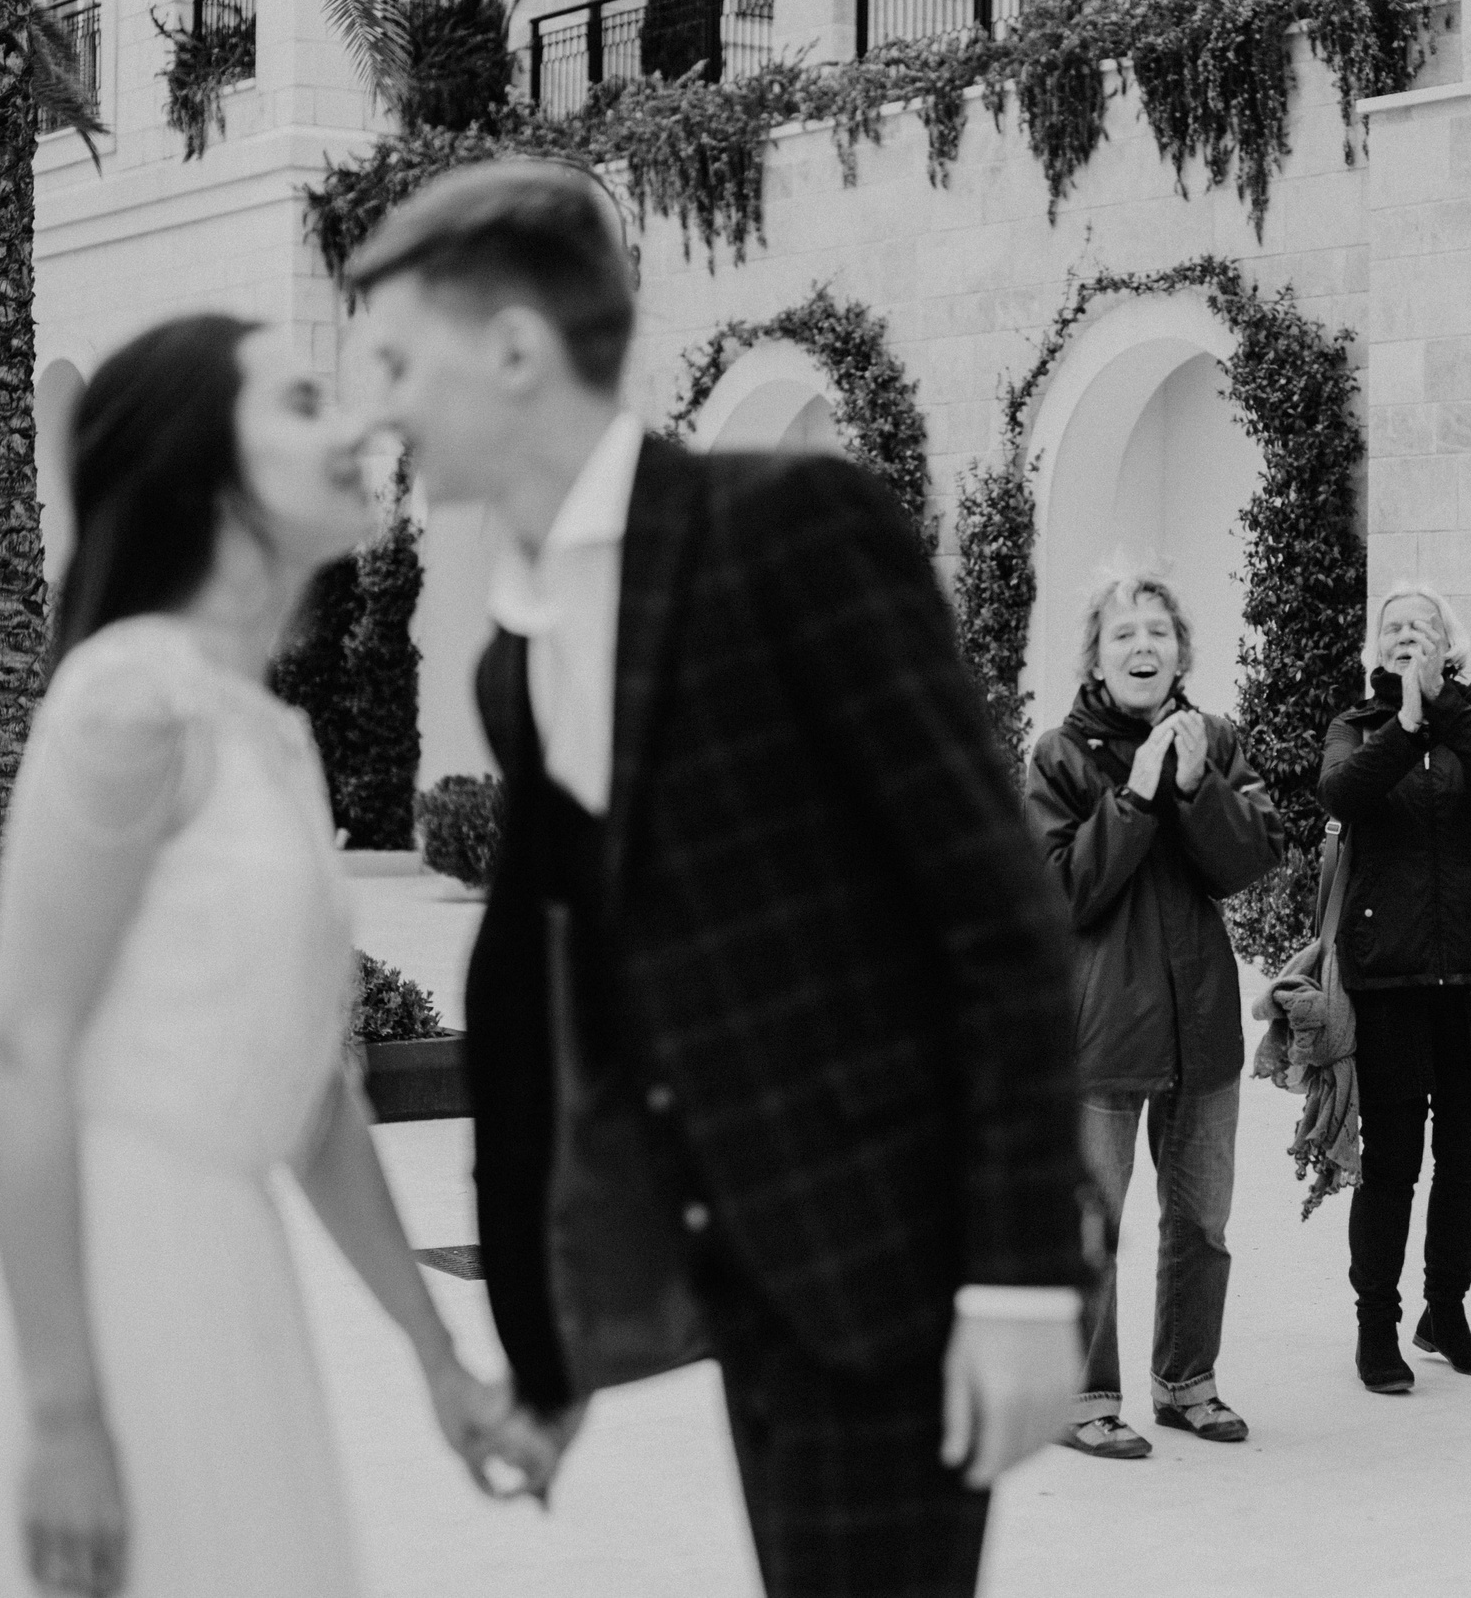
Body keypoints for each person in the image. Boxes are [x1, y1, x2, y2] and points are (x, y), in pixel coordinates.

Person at [344, 160, 1090, 1597]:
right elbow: (555, 1005)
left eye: (397, 357)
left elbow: (995, 914)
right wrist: (553, 1356)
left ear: (512, 347)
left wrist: (1017, 1276)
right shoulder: (512, 658)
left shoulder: (796, 530)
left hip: (893, 1255)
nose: (379, 402)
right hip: (740, 1263)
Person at [0, 316, 514, 1598]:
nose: (354, 427)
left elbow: (316, 1102)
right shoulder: (128, 702)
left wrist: (438, 1359)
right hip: (87, 1287)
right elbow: (20, 1044)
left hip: (219, 1293)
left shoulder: (266, 732)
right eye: (302, 402)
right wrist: (66, 1413)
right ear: (208, 473)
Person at [1024, 570, 1285, 1458]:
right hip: (1102, 1033)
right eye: (1123, 634)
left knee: (1202, 1221)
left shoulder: (1213, 740)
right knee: (1089, 1223)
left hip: (1202, 1025)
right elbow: (1059, 894)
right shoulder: (1059, 755)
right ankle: (1081, 1396)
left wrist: (1190, 784)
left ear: (1182, 650)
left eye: (1159, 632)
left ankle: (1187, 1383)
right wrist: (1134, 796)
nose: (1143, 646)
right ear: (1097, 658)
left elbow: (1248, 859)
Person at [1317, 582, 1471, 1393]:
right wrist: (1407, 724)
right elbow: (1344, 794)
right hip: (1391, 976)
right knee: (1393, 1164)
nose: (1407, 634)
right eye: (1394, 627)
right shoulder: (1357, 727)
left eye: (1424, 625)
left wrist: (1442, 707)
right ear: (1378, 650)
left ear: (1451, 644)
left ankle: (1446, 1310)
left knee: (1470, 1161)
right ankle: (1377, 1325)